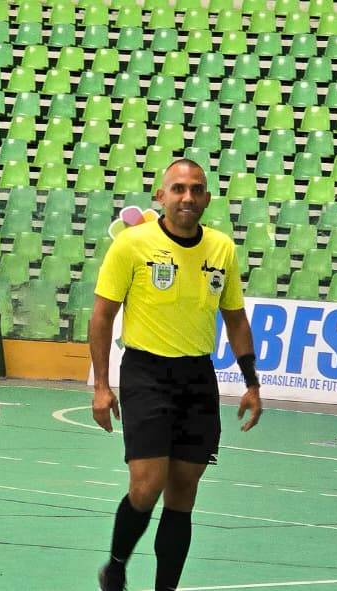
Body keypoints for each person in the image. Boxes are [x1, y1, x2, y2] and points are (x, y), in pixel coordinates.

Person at [89, 158, 263, 591]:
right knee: (147, 486)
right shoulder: (131, 245)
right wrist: (101, 386)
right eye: (179, 188)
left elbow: (236, 318)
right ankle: (116, 566)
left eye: (196, 189)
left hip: (197, 377)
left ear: (206, 198)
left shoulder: (221, 247)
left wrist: (251, 383)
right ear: (161, 196)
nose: (188, 196)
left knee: (183, 492)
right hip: (146, 372)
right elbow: (101, 316)